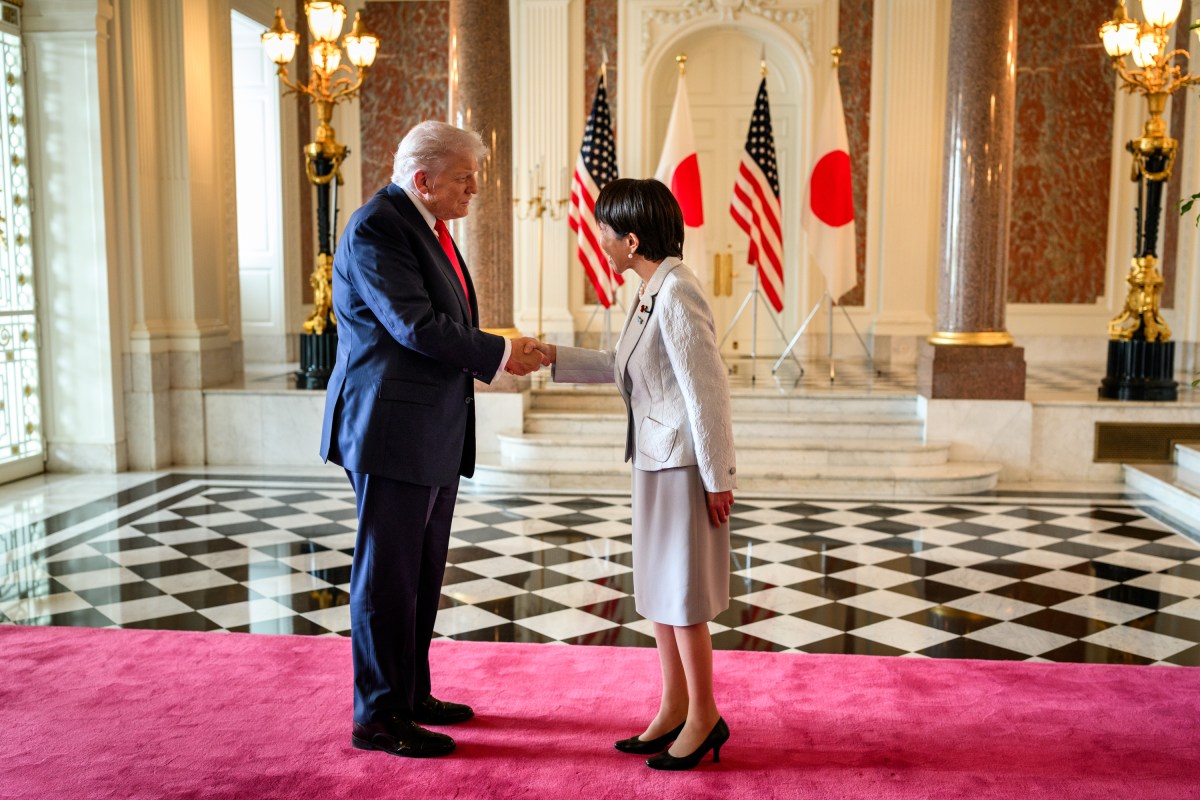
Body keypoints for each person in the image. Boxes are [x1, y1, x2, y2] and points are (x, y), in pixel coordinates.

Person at [319, 120, 545, 759]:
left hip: (428, 429)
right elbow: (414, 326)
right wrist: (500, 352)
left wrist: (497, 345)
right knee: (386, 577)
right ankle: (377, 717)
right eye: (466, 178)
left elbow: (444, 321)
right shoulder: (377, 227)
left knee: (418, 574)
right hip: (391, 429)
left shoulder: (427, 226)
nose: (475, 190)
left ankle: (410, 694)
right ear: (424, 179)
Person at [533, 178, 736, 771]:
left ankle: (706, 717)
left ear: (632, 238)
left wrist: (717, 475)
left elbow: (707, 392)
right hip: (652, 459)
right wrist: (555, 356)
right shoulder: (651, 290)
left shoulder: (676, 292)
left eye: (605, 231)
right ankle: (674, 706)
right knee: (657, 594)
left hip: (682, 466)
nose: (600, 241)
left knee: (683, 596)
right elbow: (626, 369)